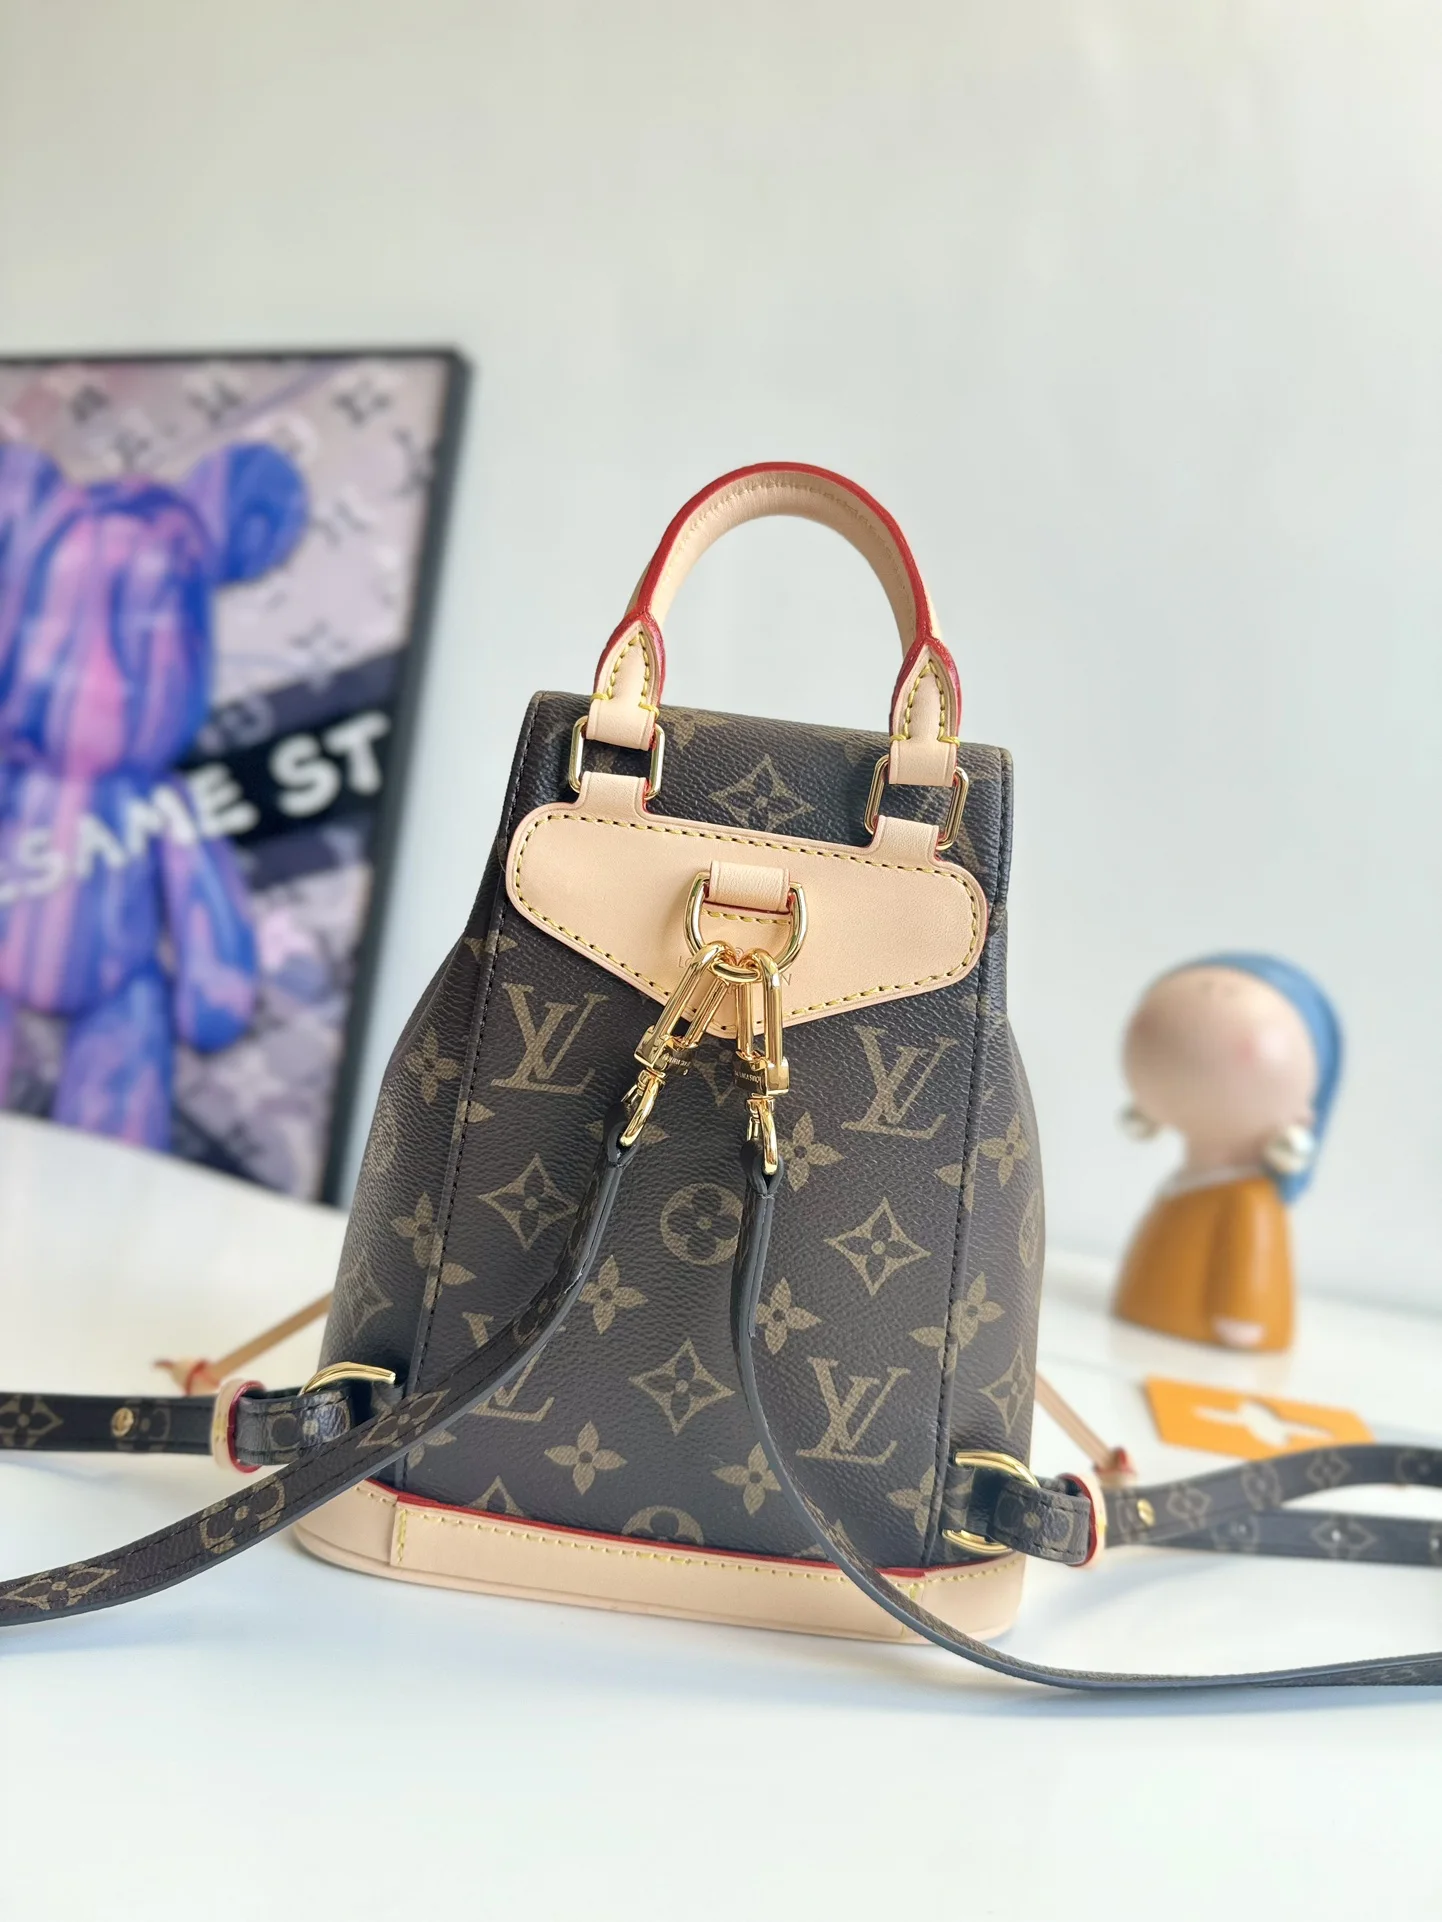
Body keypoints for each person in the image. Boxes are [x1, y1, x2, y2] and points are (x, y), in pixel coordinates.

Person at [1111, 954, 1342, 1351]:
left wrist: (1242, 1316)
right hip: (1136, 1336)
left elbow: (1248, 1268)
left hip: (1209, 1354)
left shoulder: (1250, 1201)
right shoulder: (1186, 1182)